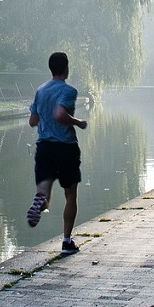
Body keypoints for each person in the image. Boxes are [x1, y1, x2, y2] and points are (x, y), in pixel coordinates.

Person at [27, 51, 88, 255]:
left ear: (51, 68)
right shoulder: (69, 90)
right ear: (66, 68)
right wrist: (78, 122)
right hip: (65, 147)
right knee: (70, 195)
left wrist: (45, 118)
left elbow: (32, 121)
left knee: (43, 193)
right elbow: (60, 114)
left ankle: (40, 200)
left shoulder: (40, 90)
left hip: (44, 147)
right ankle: (66, 242)